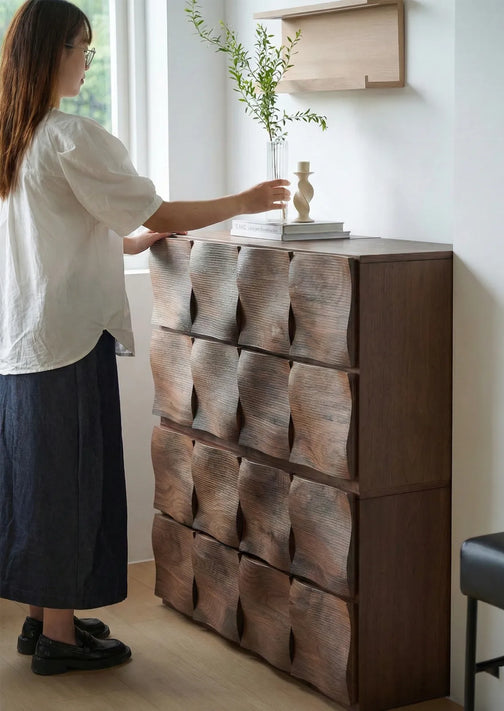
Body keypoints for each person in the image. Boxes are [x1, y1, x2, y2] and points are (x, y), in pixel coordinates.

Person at [0, 0, 289, 676]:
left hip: (23, 338)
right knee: (68, 481)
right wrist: (242, 202)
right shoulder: (71, 135)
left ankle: (45, 616)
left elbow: (59, 236)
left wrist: (134, 240)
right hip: (67, 337)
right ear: (51, 53)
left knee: (38, 478)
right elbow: (158, 208)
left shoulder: (17, 137)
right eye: (81, 45)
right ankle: (62, 639)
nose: (86, 58)